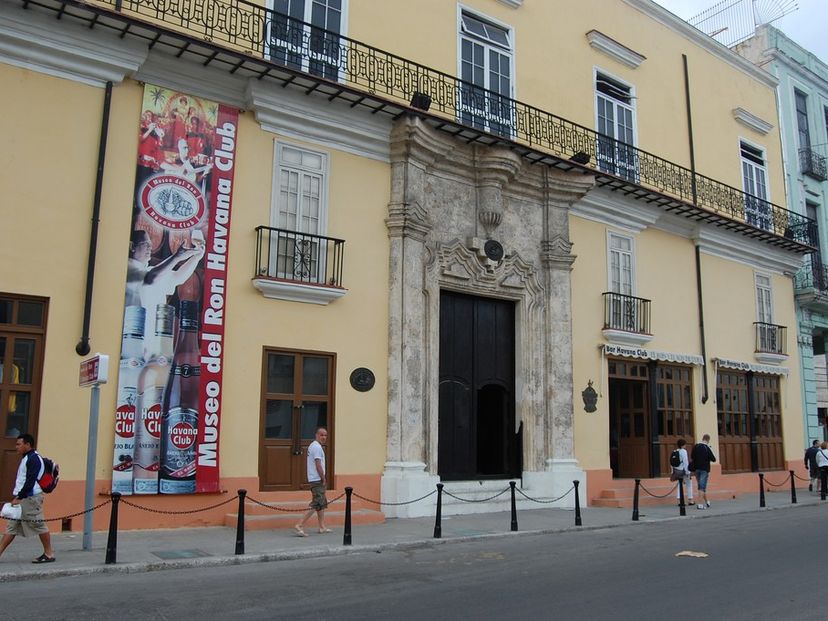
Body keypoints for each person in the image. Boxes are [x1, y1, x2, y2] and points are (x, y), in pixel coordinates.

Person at [0, 434, 55, 563]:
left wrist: (20, 497)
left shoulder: (33, 459)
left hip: (31, 498)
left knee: (39, 525)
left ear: (28, 444)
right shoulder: (27, 458)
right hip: (24, 498)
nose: (16, 447)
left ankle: (49, 553)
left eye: (19, 444)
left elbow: (30, 481)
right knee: (12, 527)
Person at [294, 427, 332, 537]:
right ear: (316, 435)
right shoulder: (317, 447)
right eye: (321, 435)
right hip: (317, 479)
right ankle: (299, 524)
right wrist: (323, 477)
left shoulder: (313, 446)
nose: (324, 437)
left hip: (315, 478)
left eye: (325, 435)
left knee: (321, 503)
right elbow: (318, 464)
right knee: (316, 503)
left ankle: (322, 526)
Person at [690, 434, 716, 509]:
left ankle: (707, 501)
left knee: (701, 486)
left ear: (702, 438)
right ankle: (700, 504)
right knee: (702, 487)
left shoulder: (696, 446)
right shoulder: (707, 448)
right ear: (708, 440)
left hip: (696, 469)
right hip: (704, 469)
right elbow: (713, 459)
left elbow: (692, 456)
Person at [674, 438, 694, 506]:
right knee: (689, 484)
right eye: (685, 445)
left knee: (679, 484)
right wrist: (688, 472)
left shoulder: (675, 451)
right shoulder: (683, 451)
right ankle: (690, 500)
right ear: (683, 445)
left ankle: (679, 500)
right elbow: (686, 462)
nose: (685, 446)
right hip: (683, 470)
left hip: (677, 470)